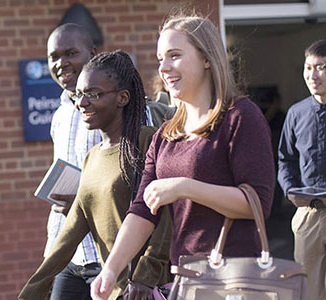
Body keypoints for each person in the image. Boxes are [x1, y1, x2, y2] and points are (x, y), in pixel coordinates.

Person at [90, 13, 275, 300]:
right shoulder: (165, 135)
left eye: (174, 55)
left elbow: (256, 204)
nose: (163, 67)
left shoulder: (240, 116)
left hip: (234, 280)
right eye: (160, 58)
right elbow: (142, 211)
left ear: (207, 58)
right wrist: (111, 269)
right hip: (186, 279)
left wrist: (184, 187)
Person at [18, 50, 172, 300]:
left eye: (93, 94)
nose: (82, 102)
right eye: (79, 95)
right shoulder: (92, 158)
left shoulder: (148, 141)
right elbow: (69, 235)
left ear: (122, 97)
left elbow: (167, 217)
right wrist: (33, 290)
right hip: (112, 290)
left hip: (147, 290)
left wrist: (146, 276)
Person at [44, 23, 100, 300]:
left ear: (92, 53)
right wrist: (51, 255)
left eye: (70, 53)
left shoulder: (115, 108)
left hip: (108, 255)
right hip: (72, 256)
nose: (61, 63)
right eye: (54, 57)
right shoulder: (60, 116)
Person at [278, 39, 326, 300]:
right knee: (308, 292)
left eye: (320, 67)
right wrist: (289, 190)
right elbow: (285, 159)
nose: (312, 75)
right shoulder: (296, 113)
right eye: (308, 68)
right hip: (309, 215)